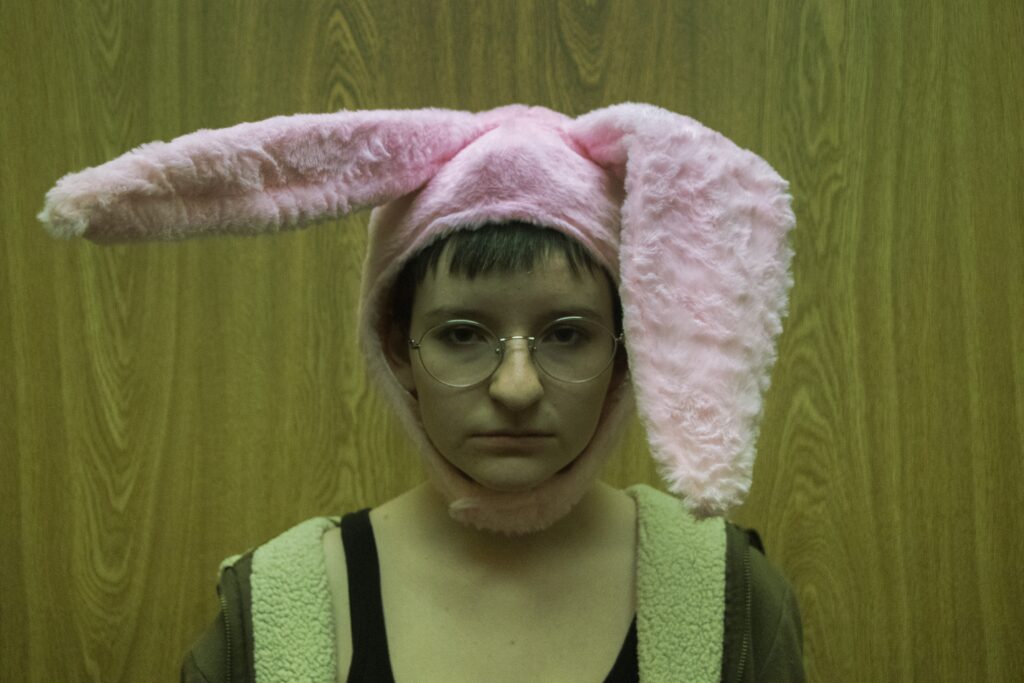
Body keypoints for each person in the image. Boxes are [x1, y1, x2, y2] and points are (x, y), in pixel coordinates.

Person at [38, 103, 806, 681]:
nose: (515, 386)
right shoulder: (283, 606)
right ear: (396, 349)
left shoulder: (728, 602)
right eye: (463, 334)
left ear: (629, 350)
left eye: (567, 333)